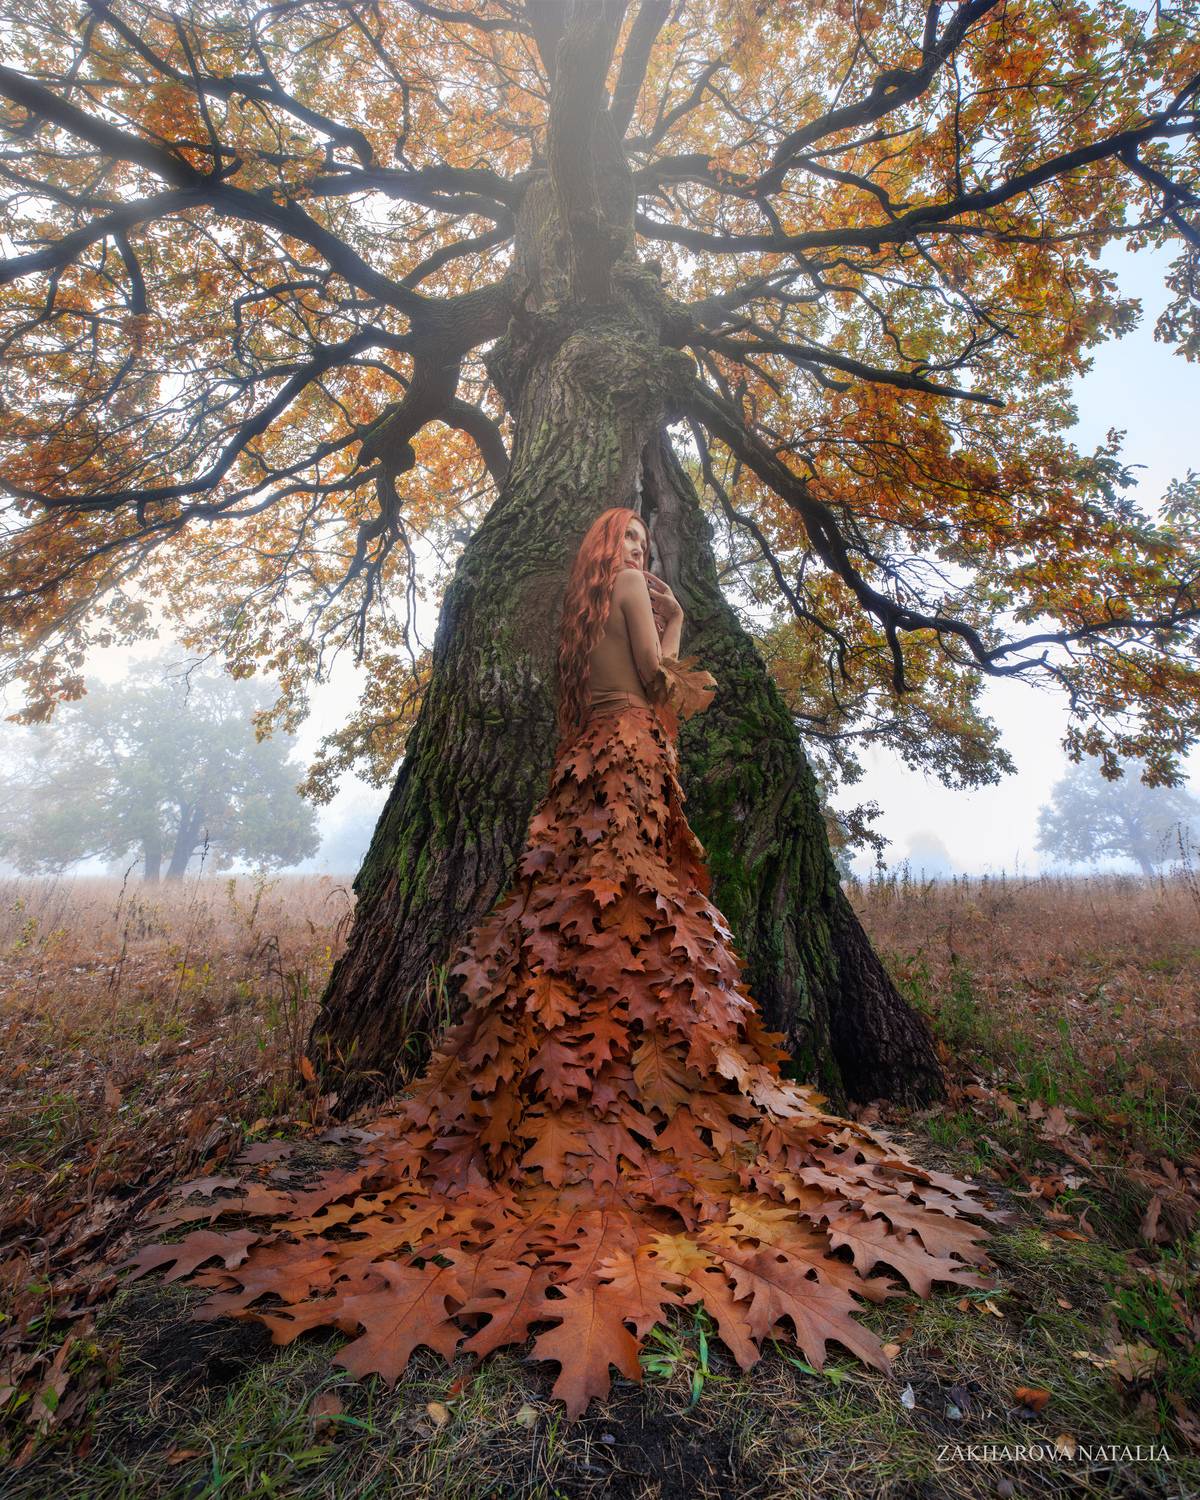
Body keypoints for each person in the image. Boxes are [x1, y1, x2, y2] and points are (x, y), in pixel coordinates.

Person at [131, 506, 1010, 1418]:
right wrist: (671, 618)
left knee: (583, 922)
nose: (640, 557)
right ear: (606, 553)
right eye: (628, 545)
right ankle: (638, 1100)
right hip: (631, 758)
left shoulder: (578, 617)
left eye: (645, 548)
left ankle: (575, 1096)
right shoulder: (632, 595)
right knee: (636, 911)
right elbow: (665, 686)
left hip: (587, 765)